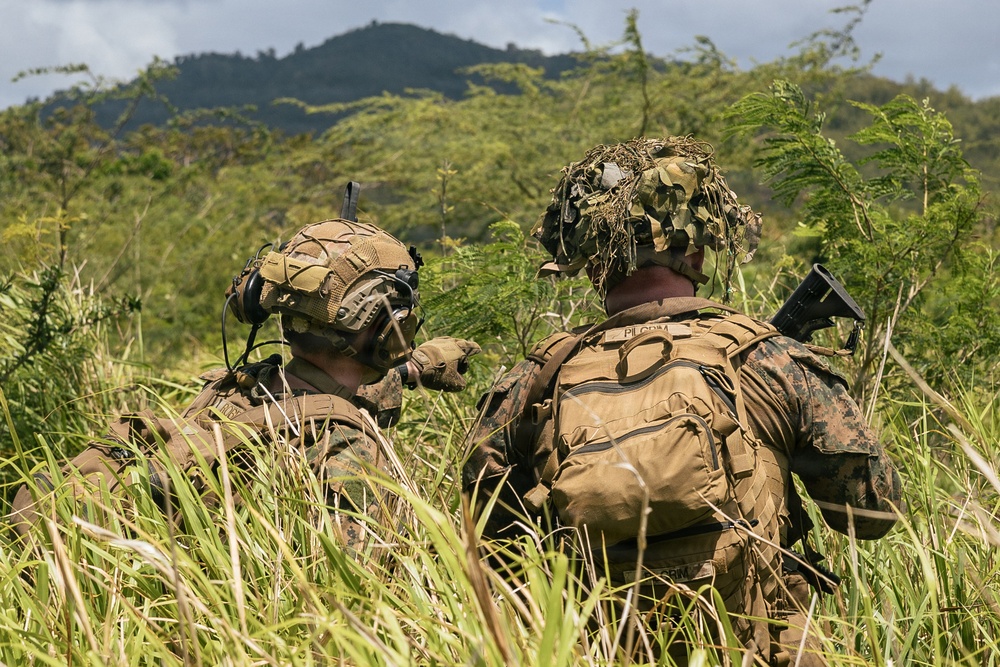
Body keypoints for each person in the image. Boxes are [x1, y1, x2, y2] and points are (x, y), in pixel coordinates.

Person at [462, 136, 903, 665]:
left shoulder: (535, 379)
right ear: (696, 249)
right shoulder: (768, 359)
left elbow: (487, 544)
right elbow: (874, 513)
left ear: (593, 263)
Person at [11, 217, 480, 556]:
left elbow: (331, 392)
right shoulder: (348, 448)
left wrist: (416, 366)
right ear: (386, 323)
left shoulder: (235, 387)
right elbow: (355, 601)